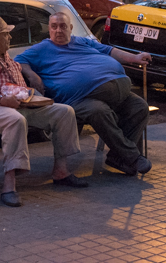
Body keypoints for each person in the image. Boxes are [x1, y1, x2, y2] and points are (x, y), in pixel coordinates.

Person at [0, 16, 87, 208]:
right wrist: (2, 100)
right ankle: (9, 185)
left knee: (64, 112)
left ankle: (61, 171)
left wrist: (33, 97)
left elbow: (20, 86)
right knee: (15, 120)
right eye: (6, 34)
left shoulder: (8, 59)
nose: (10, 38)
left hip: (20, 106)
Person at [16, 11, 153, 177]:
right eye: (54, 26)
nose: (58, 30)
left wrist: (135, 58)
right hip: (76, 99)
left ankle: (118, 158)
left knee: (139, 107)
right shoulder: (42, 48)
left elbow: (110, 51)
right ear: (49, 29)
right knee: (99, 111)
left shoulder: (82, 41)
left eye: (63, 26)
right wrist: (32, 75)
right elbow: (17, 61)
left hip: (113, 91)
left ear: (70, 28)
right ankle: (132, 157)